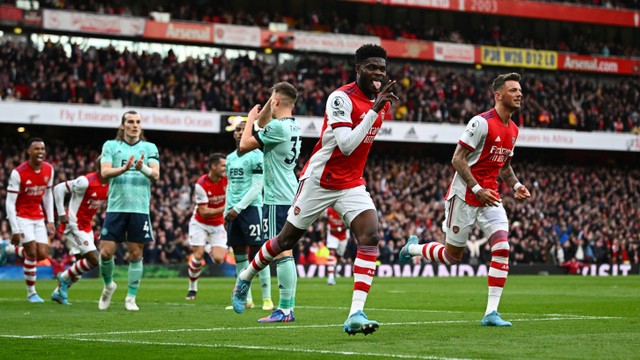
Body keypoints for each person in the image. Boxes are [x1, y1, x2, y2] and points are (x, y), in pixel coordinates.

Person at [232, 44, 398, 336]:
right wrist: (372, 111)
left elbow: (361, 148)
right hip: (320, 179)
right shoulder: (340, 98)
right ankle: (246, 275)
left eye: (382, 69)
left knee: (371, 233)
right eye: (372, 67)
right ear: (358, 69)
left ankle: (356, 313)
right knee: (285, 240)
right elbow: (346, 146)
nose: (378, 74)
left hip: (351, 183)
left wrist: (375, 110)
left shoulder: (381, 103)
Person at [399, 72, 531, 327]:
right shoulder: (481, 123)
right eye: (513, 90)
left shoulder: (514, 129)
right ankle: (412, 249)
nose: (519, 94)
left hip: (491, 197)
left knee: (502, 246)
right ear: (498, 95)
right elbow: (457, 159)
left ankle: (491, 312)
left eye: (520, 91)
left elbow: (504, 166)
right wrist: (477, 187)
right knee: (451, 257)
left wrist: (515, 184)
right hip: (465, 196)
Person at [239, 81, 301, 323]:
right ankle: (286, 307)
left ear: (276, 102)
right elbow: (264, 124)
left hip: (277, 198)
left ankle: (285, 309)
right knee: (285, 251)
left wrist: (248, 119)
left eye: (271, 100)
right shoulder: (293, 126)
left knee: (282, 253)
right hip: (291, 194)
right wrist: (268, 105)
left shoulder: (277, 128)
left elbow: (244, 146)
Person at [98, 110, 160, 311]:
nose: (135, 125)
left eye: (138, 122)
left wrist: (141, 168)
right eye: (130, 122)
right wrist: (124, 169)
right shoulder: (111, 145)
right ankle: (108, 286)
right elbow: (105, 172)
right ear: (122, 125)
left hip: (139, 209)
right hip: (116, 207)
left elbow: (156, 175)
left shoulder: (149, 147)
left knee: (135, 254)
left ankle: (131, 297)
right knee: (106, 252)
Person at [225, 119, 273, 311]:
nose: (239, 133)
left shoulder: (256, 156)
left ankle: (267, 298)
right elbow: (229, 186)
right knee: (239, 256)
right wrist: (226, 211)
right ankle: (246, 299)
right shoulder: (229, 158)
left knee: (258, 254)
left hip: (251, 209)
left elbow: (256, 187)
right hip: (232, 212)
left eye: (243, 130)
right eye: (237, 130)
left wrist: (238, 208)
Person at [2, 137, 55, 303]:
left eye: (42, 149)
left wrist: (51, 219)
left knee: (42, 254)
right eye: (36, 149)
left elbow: (47, 195)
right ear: (29, 152)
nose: (40, 152)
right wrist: (15, 229)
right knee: (31, 253)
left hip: (38, 216)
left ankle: (9, 248)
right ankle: (32, 293)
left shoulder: (49, 169)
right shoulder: (18, 173)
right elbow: (9, 203)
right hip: (21, 216)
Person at [51, 157, 109, 305]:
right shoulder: (85, 181)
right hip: (73, 225)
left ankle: (58, 293)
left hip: (86, 226)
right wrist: (61, 213)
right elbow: (59, 188)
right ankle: (62, 278)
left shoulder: (110, 184)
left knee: (79, 269)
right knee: (95, 259)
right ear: (99, 167)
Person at [185, 153, 228, 300]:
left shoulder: (228, 180)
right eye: (223, 165)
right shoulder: (201, 184)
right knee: (197, 255)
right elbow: (204, 212)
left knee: (219, 259)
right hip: (200, 223)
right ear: (213, 166)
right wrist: (225, 208)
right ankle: (192, 289)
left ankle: (209, 248)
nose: (225, 168)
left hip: (218, 225)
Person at [325, 206, 349, 285]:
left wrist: (338, 229)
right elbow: (325, 220)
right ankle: (331, 277)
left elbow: (348, 225)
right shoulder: (328, 210)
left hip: (343, 236)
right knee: (331, 252)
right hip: (332, 235)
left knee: (339, 256)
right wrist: (325, 231)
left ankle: (334, 268)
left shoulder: (344, 211)